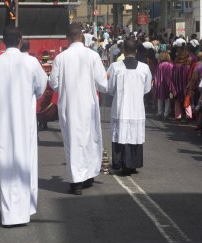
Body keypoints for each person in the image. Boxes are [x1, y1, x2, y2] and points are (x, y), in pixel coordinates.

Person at [0, 26, 47, 227]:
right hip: (25, 124)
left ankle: (8, 214)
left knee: (5, 165)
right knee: (25, 163)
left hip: (2, 125)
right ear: (20, 40)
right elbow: (41, 87)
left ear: (3, 41)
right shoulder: (31, 62)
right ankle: (25, 210)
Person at [49, 23, 108, 195]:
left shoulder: (61, 57)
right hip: (88, 102)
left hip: (69, 104)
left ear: (68, 38)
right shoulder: (93, 55)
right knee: (90, 138)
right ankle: (88, 176)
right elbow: (102, 83)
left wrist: (66, 88)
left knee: (72, 141)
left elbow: (53, 83)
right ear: (82, 36)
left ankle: (76, 182)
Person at [107, 39, 152, 175]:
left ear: (123, 51)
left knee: (121, 134)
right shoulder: (144, 68)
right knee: (134, 135)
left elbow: (110, 88)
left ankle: (120, 162)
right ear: (136, 51)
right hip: (137, 108)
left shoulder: (115, 67)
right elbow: (147, 88)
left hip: (121, 107)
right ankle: (133, 163)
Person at [172, 47, 191, 120]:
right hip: (186, 85)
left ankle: (178, 116)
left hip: (176, 85)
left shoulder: (175, 65)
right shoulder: (188, 66)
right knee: (187, 100)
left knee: (177, 101)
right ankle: (189, 116)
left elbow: (172, 76)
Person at [154, 52, 173, 119]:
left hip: (160, 84)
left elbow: (156, 76)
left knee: (160, 98)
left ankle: (159, 112)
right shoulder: (170, 65)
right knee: (167, 99)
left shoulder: (159, 65)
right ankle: (166, 113)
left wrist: (155, 84)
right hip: (168, 83)